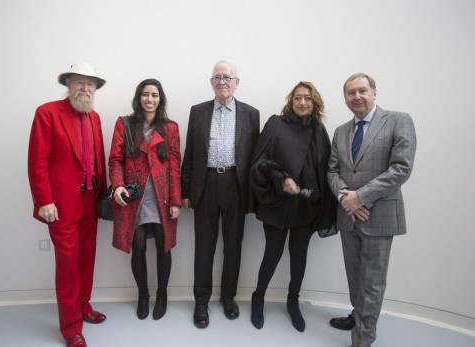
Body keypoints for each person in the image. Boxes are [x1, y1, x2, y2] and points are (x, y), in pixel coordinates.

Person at [327, 73, 417, 347]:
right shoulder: (341, 131)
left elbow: (401, 167)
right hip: (348, 215)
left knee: (373, 281)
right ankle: (358, 316)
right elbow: (332, 170)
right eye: (351, 93)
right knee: (355, 276)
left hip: (378, 215)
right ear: (345, 98)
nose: (357, 97)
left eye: (362, 90)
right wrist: (346, 197)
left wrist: (361, 197)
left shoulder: (398, 120)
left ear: (374, 92)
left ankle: (363, 339)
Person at [28, 62, 108, 347]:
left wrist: (104, 196)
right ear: (68, 84)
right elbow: (37, 161)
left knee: (87, 257)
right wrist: (44, 201)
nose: (85, 88)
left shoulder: (95, 117)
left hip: (90, 200)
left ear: (95, 88)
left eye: (90, 83)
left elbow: (98, 157)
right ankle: (71, 327)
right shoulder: (47, 113)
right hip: (61, 205)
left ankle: (83, 306)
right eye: (79, 82)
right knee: (68, 264)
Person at [248, 81, 336, 331]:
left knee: (299, 257)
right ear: (291, 100)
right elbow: (259, 161)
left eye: (307, 98)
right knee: (272, 255)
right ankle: (258, 298)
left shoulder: (319, 130)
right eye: (298, 97)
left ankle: (293, 301)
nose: (302, 102)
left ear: (314, 102)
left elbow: (326, 168)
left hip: (307, 205)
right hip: (277, 203)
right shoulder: (276, 123)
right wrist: (280, 178)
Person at [181, 60, 260, 328]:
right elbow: (190, 153)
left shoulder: (251, 114)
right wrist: (185, 190)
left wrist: (253, 194)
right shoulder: (198, 112)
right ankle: (201, 302)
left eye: (227, 77)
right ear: (211, 82)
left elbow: (255, 158)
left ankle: (228, 297)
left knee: (233, 247)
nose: (222, 81)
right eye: (217, 77)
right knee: (204, 248)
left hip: (236, 187)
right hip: (205, 186)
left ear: (237, 82)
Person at [109, 79, 181, 321]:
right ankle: (143, 295)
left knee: (163, 246)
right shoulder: (125, 125)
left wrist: (175, 201)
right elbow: (115, 160)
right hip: (134, 197)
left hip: (161, 196)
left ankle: (162, 294)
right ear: (138, 98)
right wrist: (118, 184)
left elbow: (174, 166)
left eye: (155, 95)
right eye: (145, 94)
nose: (150, 99)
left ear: (160, 99)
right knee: (137, 248)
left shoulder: (170, 128)